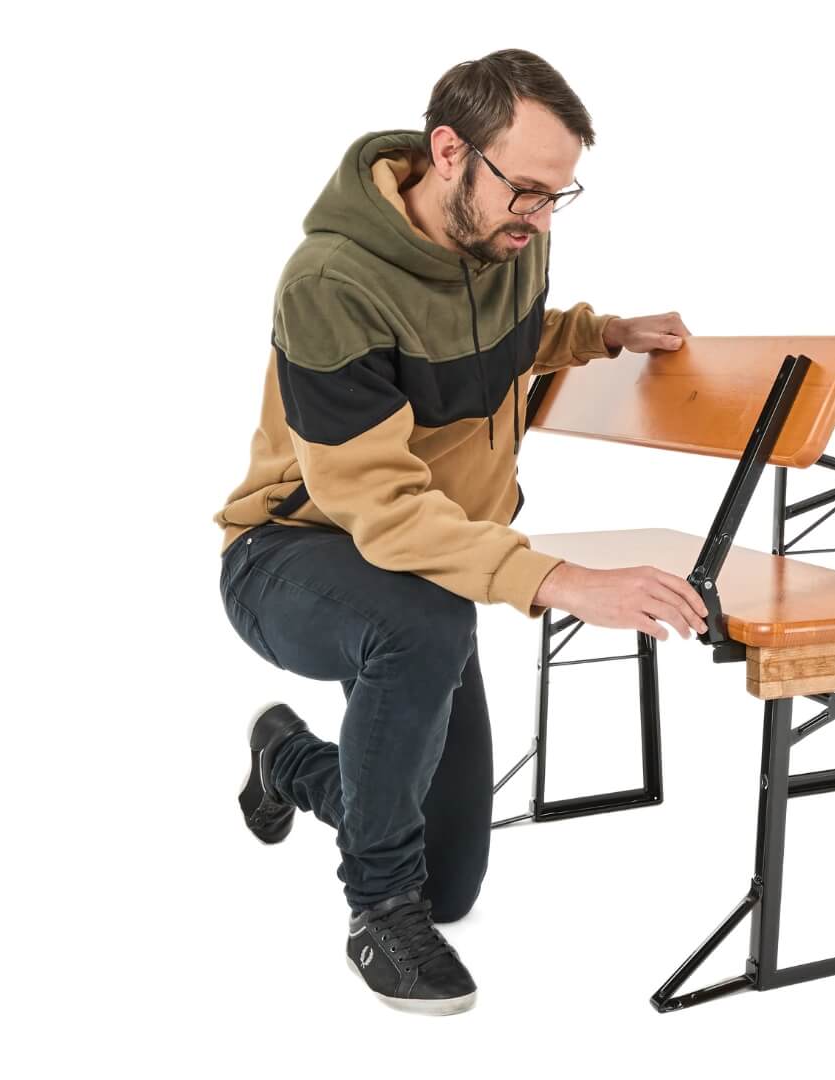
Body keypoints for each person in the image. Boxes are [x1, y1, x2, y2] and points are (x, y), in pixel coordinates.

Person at [213, 48, 710, 1016]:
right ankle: (376, 914)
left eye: (560, 197)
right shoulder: (331, 281)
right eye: (526, 190)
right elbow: (381, 504)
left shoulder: (507, 239)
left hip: (428, 568)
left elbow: (504, 339)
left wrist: (598, 332)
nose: (541, 217)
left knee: (457, 884)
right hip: (293, 551)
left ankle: (286, 759)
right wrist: (558, 579)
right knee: (424, 632)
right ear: (449, 152)